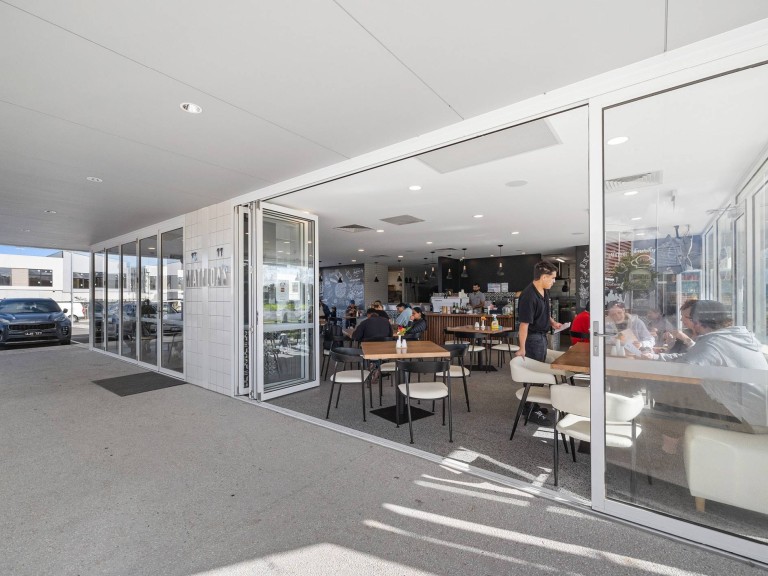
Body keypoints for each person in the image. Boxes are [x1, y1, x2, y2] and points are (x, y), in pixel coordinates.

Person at [646, 300, 767, 430]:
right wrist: (656, 357)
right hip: (759, 413)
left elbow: (684, 368)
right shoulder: (734, 337)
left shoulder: (713, 343)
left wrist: (651, 361)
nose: (686, 322)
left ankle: (665, 440)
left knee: (672, 398)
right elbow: (689, 358)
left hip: (752, 422)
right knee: (680, 399)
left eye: (690, 318)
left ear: (697, 322)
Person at [515, 261, 562, 362]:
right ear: (544, 277)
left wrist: (552, 322)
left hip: (542, 337)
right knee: (534, 369)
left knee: (540, 364)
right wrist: (522, 348)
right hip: (533, 339)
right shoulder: (529, 296)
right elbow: (524, 324)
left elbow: (543, 312)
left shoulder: (545, 290)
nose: (554, 281)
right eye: (553, 278)